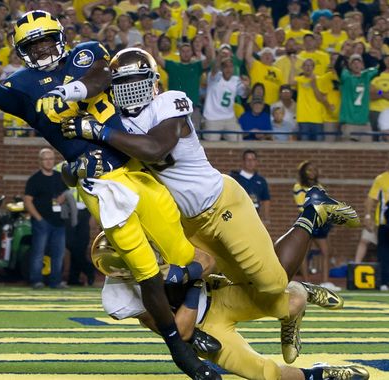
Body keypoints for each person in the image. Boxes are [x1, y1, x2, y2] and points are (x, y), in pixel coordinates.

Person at [0, 11, 218, 379]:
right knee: (146, 271)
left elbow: (103, 74)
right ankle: (182, 352)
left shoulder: (85, 54)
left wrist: (68, 92)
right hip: (98, 185)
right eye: (32, 45)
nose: (41, 50)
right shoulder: (22, 85)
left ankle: (196, 309)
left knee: (184, 257)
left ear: (60, 37)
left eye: (45, 41)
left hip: (135, 167)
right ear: (22, 51)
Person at [62, 47, 360, 365]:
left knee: (273, 282)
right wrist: (75, 165)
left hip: (221, 204)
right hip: (187, 222)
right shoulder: (115, 124)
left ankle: (312, 211)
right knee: (241, 284)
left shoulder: (167, 102)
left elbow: (155, 148)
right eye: (124, 82)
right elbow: (77, 171)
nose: (131, 88)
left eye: (138, 80)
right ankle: (295, 299)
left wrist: (100, 132)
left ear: (153, 83)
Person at [92, 233, 369, 380]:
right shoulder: (117, 297)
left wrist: (195, 278)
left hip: (219, 294)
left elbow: (209, 262)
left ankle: (301, 291)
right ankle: (319, 375)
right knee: (264, 373)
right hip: (202, 326)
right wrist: (193, 283)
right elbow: (177, 330)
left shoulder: (160, 238)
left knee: (293, 301)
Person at [24, 148, 68, 289]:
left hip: (59, 222)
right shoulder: (34, 179)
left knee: (58, 253)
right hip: (42, 222)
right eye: (46, 159)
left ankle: (55, 282)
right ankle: (36, 281)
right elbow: (27, 201)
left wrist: (63, 198)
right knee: (38, 252)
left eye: (51, 158)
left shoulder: (60, 176)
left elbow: (66, 194)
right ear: (40, 161)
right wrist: (38, 219)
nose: (49, 161)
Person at [293, 161, 338, 290]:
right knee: (304, 253)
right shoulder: (298, 186)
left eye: (314, 170)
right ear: (304, 172)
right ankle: (307, 283)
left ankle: (325, 282)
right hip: (306, 219)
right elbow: (302, 205)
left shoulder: (319, 186)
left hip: (319, 221)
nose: (312, 172)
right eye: (309, 170)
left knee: (326, 251)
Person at [201, 52, 249, 142]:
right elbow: (215, 68)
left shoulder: (236, 80)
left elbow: (244, 94)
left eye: (231, 66)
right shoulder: (214, 77)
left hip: (229, 118)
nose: (228, 69)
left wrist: (247, 86)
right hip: (212, 118)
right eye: (226, 66)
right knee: (212, 143)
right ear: (221, 68)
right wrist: (219, 57)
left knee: (238, 140)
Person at [364, 158, 389, 291]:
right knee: (384, 252)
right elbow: (370, 198)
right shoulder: (381, 179)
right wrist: (368, 216)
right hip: (384, 222)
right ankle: (384, 281)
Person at [230, 150, 271, 226]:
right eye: (248, 160)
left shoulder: (261, 180)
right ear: (243, 161)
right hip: (238, 217)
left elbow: (266, 200)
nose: (250, 162)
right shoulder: (235, 178)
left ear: (256, 162)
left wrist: (266, 218)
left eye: (253, 160)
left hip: (255, 217)